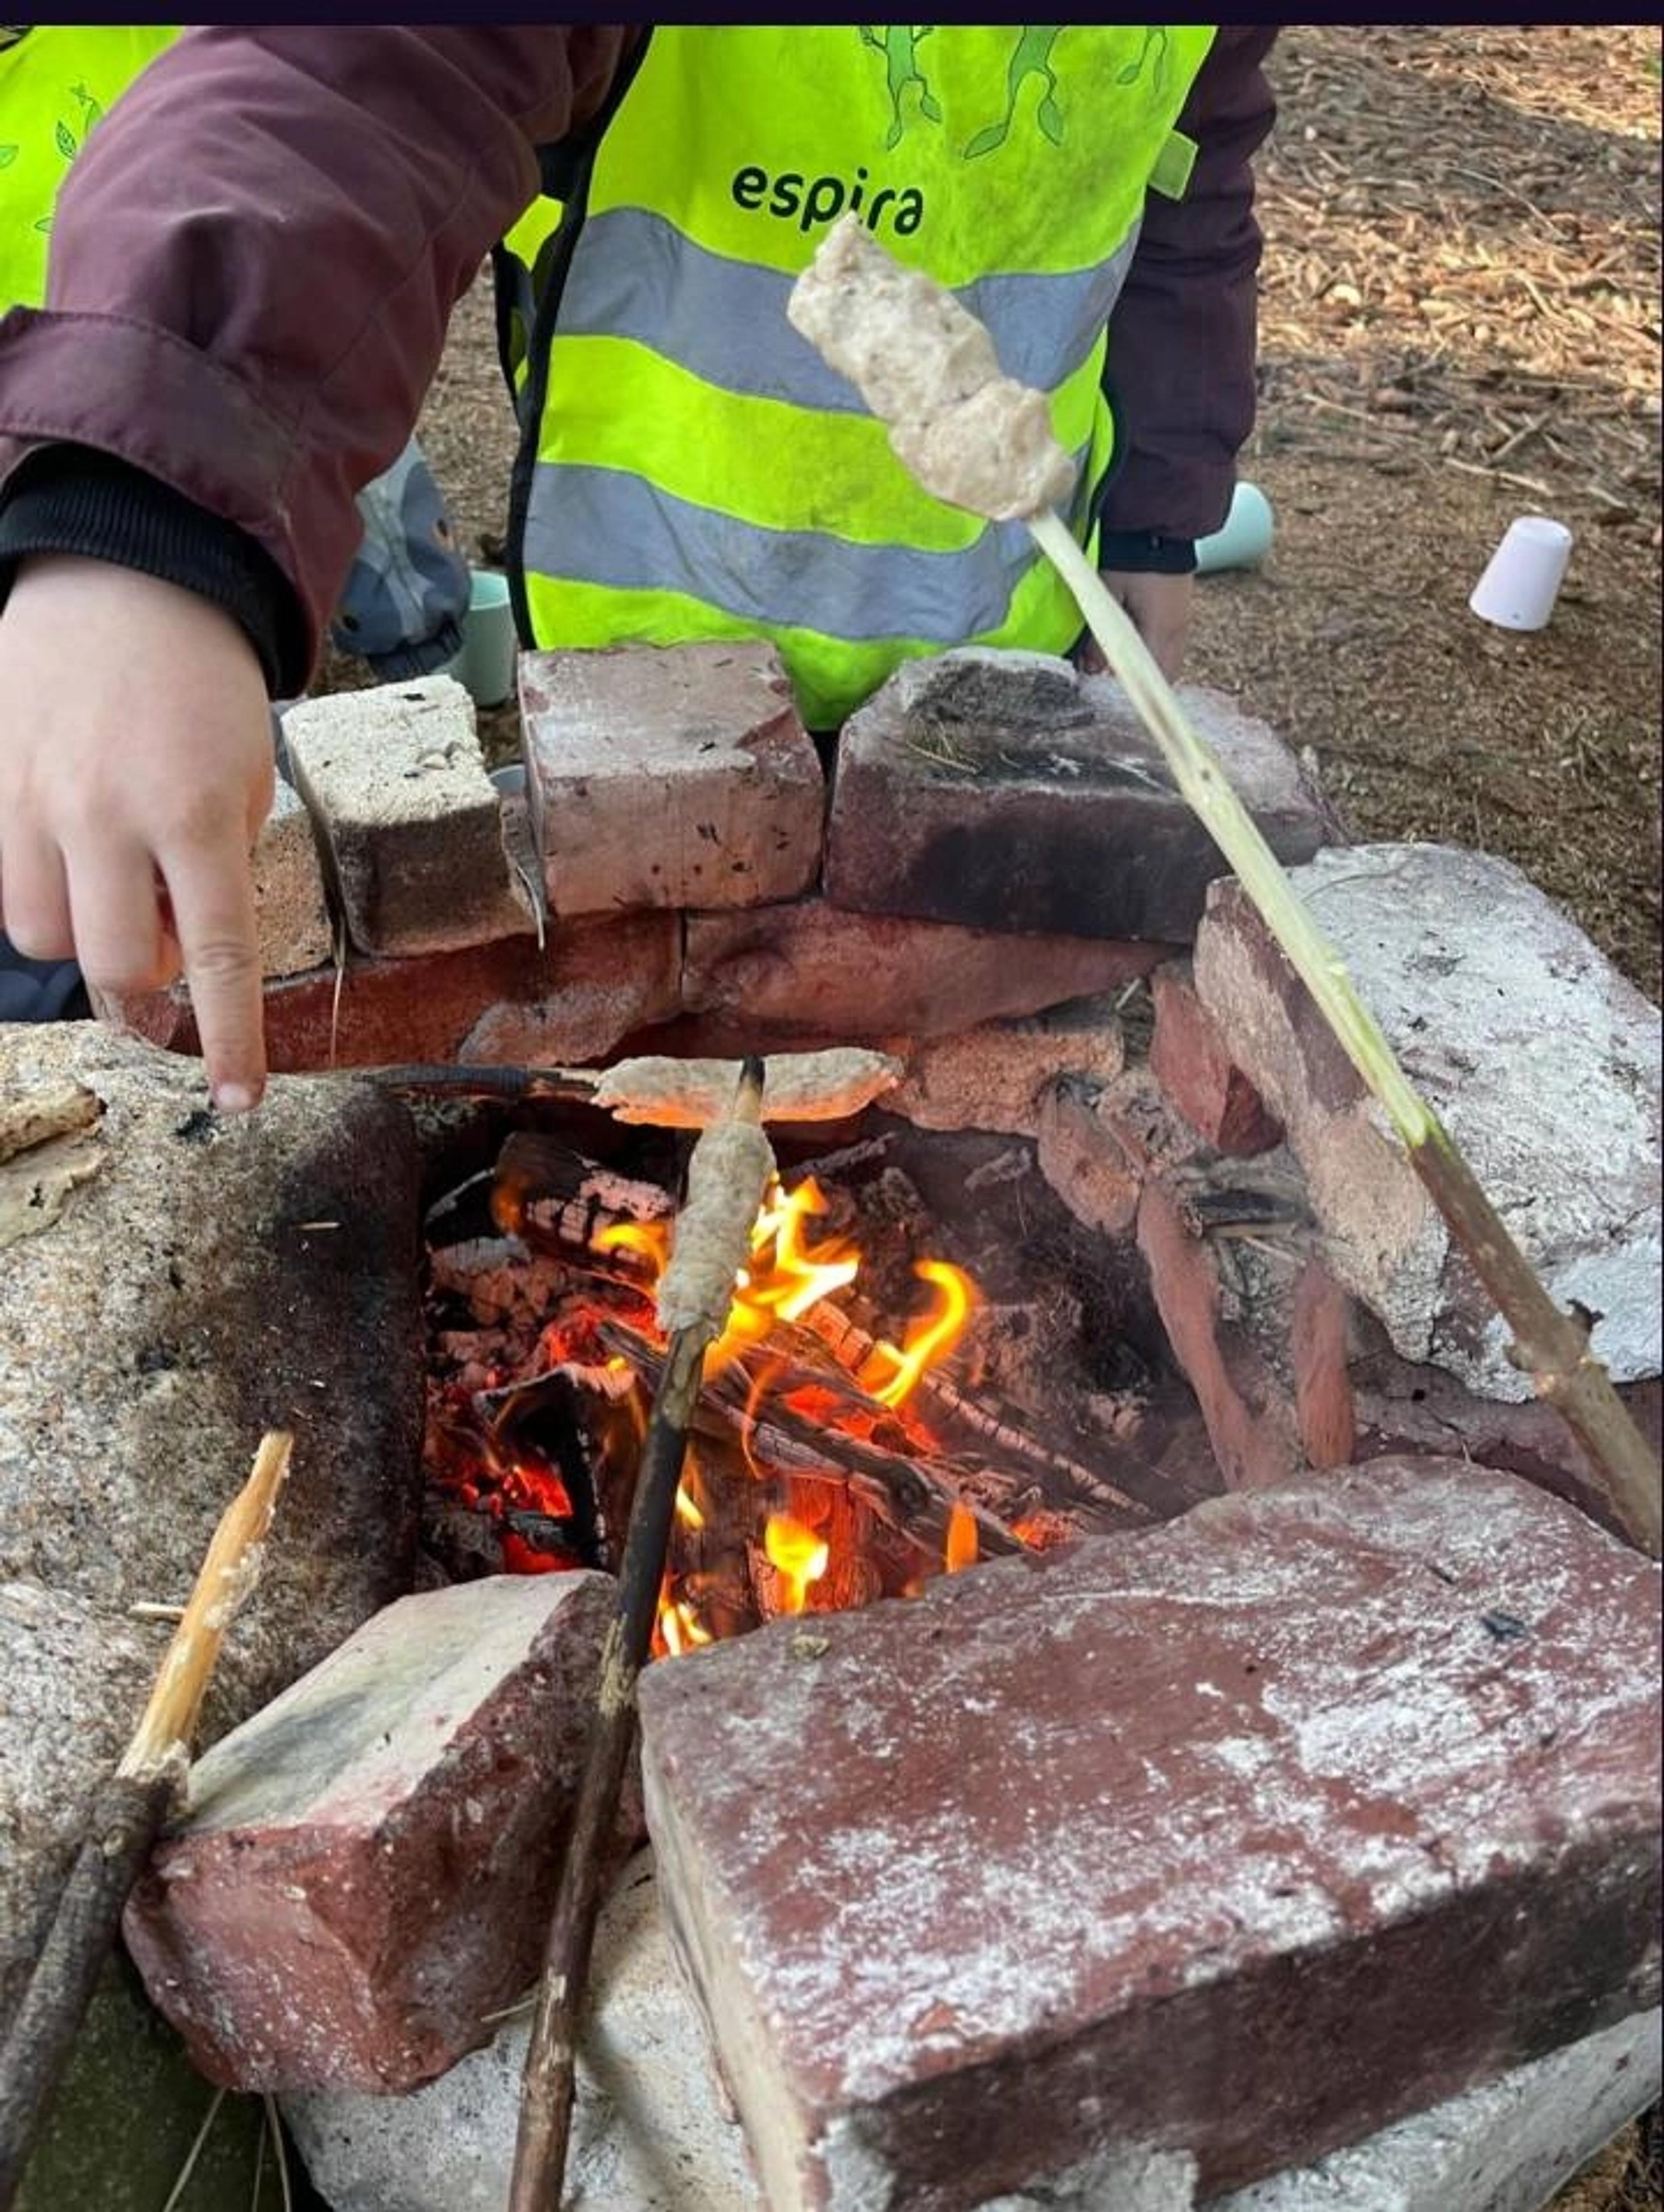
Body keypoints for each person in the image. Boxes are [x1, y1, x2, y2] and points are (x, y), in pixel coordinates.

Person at [0, 26, 1277, 1109]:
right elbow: (360, 72)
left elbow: (1185, 172)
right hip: (664, 641)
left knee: (909, 1054)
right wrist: (153, 505)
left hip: (994, 622)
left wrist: (1157, 518)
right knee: (676, 1030)